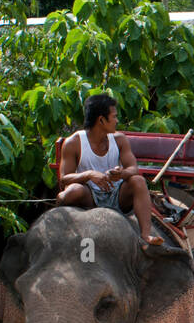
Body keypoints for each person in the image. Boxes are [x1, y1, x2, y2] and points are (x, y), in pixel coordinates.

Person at [57, 94, 163, 246]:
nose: (117, 121)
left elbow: (133, 168)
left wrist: (122, 173)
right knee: (71, 191)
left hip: (117, 195)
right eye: (114, 117)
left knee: (138, 180)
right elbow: (64, 178)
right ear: (101, 120)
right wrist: (89, 175)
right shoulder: (73, 142)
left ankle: (146, 235)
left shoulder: (119, 139)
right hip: (89, 196)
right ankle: (58, 229)